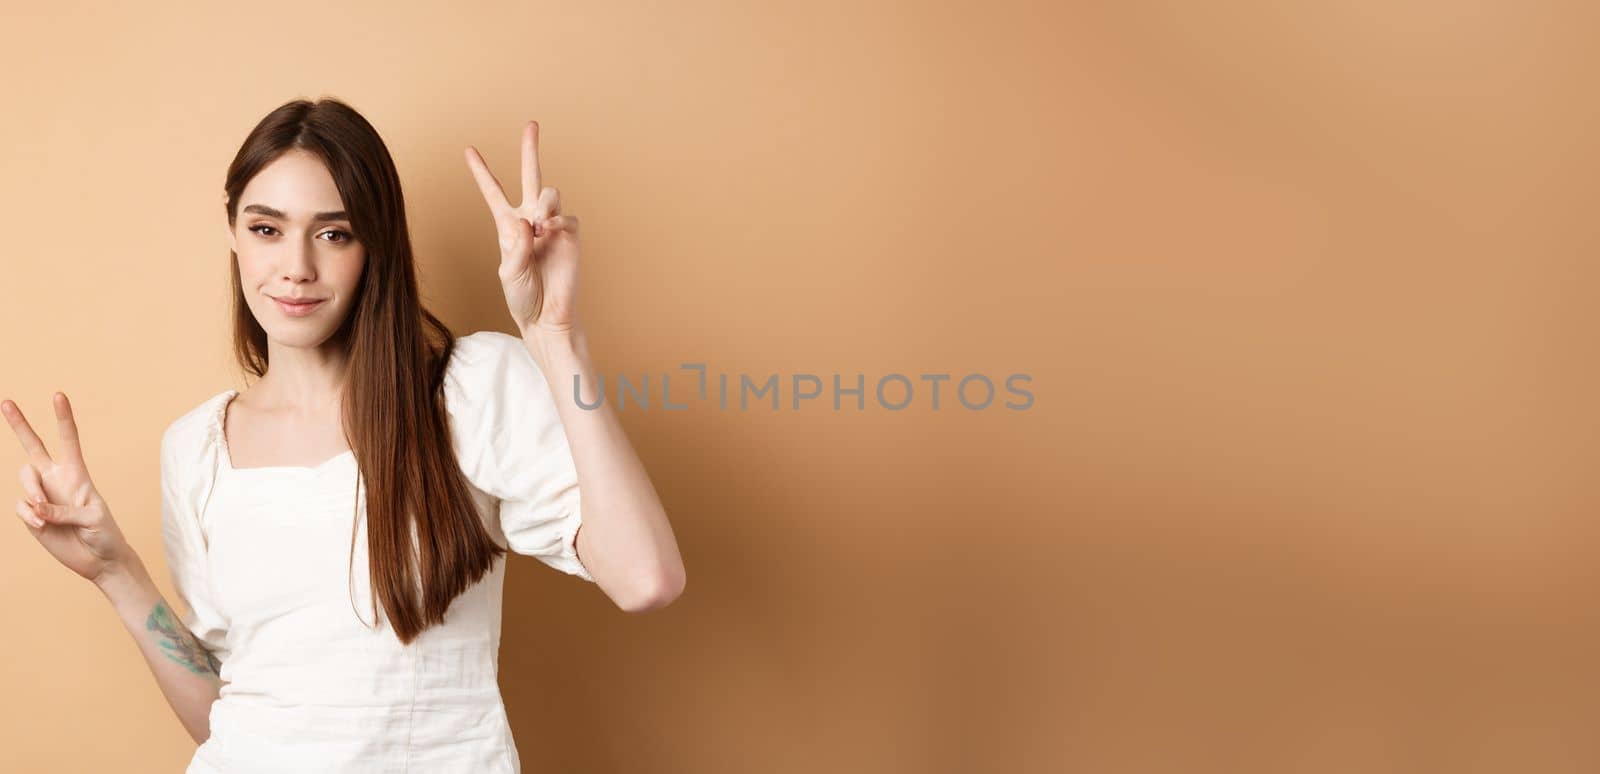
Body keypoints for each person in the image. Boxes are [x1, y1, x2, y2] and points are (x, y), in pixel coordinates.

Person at [3, 97, 686, 773]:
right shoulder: (196, 447)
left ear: (376, 244)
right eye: (267, 229)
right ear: (232, 231)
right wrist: (115, 571)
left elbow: (645, 578)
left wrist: (553, 335)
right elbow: (228, 720)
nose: (296, 266)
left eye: (334, 233)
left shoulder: (469, 388)